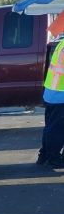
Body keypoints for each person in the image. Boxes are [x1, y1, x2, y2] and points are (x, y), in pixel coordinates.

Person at [39, 20, 64, 168]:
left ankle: (44, 155)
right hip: (60, 94)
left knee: (50, 127)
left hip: (52, 92)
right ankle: (53, 158)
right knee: (56, 129)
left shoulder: (61, 43)